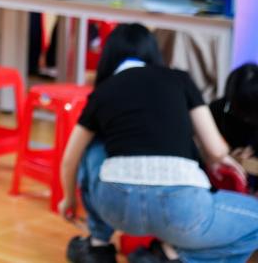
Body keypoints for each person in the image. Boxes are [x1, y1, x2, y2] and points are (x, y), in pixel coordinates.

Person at [59, 24, 257, 263]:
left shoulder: (103, 91)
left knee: (95, 144)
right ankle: (170, 255)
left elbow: (70, 159)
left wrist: (69, 200)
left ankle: (98, 245)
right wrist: (222, 158)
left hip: (115, 207)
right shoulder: (179, 79)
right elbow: (215, 150)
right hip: (181, 208)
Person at [210, 63, 258, 191]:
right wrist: (228, 154)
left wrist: (252, 150)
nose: (246, 118)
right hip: (223, 182)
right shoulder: (217, 110)